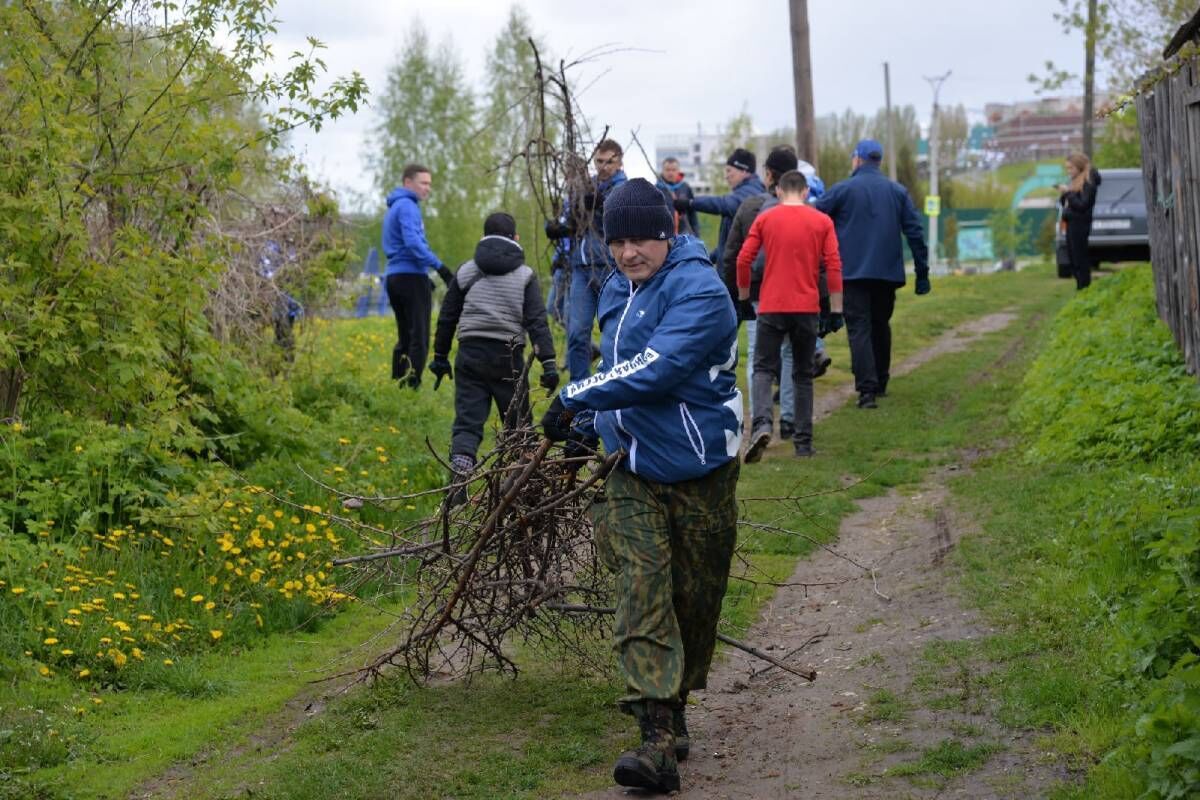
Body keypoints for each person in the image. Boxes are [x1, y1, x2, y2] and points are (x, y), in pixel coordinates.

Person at [541, 178, 742, 794]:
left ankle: (675, 704)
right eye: (618, 240)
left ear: (669, 232)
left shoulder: (702, 292)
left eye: (641, 240)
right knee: (642, 584)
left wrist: (573, 396)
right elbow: (613, 367)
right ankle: (654, 737)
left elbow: (655, 369)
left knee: (694, 599)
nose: (629, 252)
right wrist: (589, 425)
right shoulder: (615, 289)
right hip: (631, 468)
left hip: (701, 467)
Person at [431, 212, 558, 504]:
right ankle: (524, 492)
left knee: (467, 423)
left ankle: (458, 489)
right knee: (518, 427)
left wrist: (439, 356)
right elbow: (537, 321)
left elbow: (448, 316)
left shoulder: (466, 271)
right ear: (516, 239)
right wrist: (548, 363)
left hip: (470, 353)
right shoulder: (525, 275)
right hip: (509, 358)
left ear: (482, 238)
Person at [814, 139, 930, 409]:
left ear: (857, 159)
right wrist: (922, 272)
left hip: (852, 274)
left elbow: (813, 218)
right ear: (878, 161)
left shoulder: (842, 190)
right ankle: (881, 380)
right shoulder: (897, 191)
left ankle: (867, 391)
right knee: (880, 324)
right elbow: (915, 232)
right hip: (887, 274)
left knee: (859, 329)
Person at [737, 170, 843, 461]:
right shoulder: (822, 221)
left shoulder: (766, 218)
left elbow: (744, 259)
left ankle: (761, 424)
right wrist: (836, 310)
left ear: (779, 192)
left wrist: (745, 299)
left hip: (771, 305)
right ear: (806, 192)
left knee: (762, 369)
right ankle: (803, 443)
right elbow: (833, 266)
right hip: (807, 307)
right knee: (802, 374)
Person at [544, 139, 627, 380]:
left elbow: (620, 220)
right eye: (599, 161)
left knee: (615, 331)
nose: (603, 166)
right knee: (577, 332)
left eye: (609, 161)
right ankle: (579, 391)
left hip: (612, 268)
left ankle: (617, 383)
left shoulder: (624, 188)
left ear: (620, 161)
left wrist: (602, 204)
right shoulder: (586, 187)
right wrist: (559, 228)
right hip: (581, 267)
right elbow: (575, 222)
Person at [382, 164, 454, 388]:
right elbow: (413, 243)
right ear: (407, 183)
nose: (428, 188)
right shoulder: (408, 206)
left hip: (395, 276)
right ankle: (412, 385)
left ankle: (398, 383)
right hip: (410, 276)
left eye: (429, 184)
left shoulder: (395, 206)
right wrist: (441, 268)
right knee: (419, 337)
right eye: (423, 183)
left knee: (405, 335)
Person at [675, 147, 766, 264]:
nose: (726, 176)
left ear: (743, 171)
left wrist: (690, 203)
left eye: (729, 171)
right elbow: (731, 242)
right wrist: (710, 258)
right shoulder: (744, 192)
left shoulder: (751, 194)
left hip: (739, 275)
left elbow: (722, 204)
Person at [1057, 152, 1100, 291]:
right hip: (1071, 223)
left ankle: (1084, 290)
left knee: (1080, 259)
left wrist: (1068, 193)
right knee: (1073, 260)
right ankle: (1080, 289)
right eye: (1067, 168)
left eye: (1071, 168)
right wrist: (1065, 194)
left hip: (1080, 225)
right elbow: (1068, 203)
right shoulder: (1075, 181)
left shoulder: (1088, 182)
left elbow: (1082, 205)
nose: (1068, 171)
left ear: (1079, 167)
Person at [656, 157, 700, 236]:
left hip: (684, 232)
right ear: (662, 171)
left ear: (678, 171)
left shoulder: (685, 187)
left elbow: (692, 213)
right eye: (667, 170)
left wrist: (696, 234)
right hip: (663, 234)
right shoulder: (656, 189)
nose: (670, 173)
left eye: (673, 170)